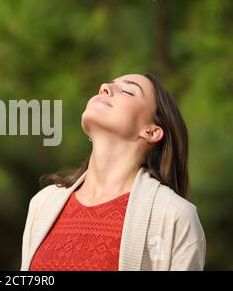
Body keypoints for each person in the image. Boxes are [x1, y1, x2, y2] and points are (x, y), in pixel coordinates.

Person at [21, 73, 205, 271]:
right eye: (107, 85)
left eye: (127, 90)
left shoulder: (175, 217)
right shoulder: (43, 203)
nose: (104, 87)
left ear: (151, 132)